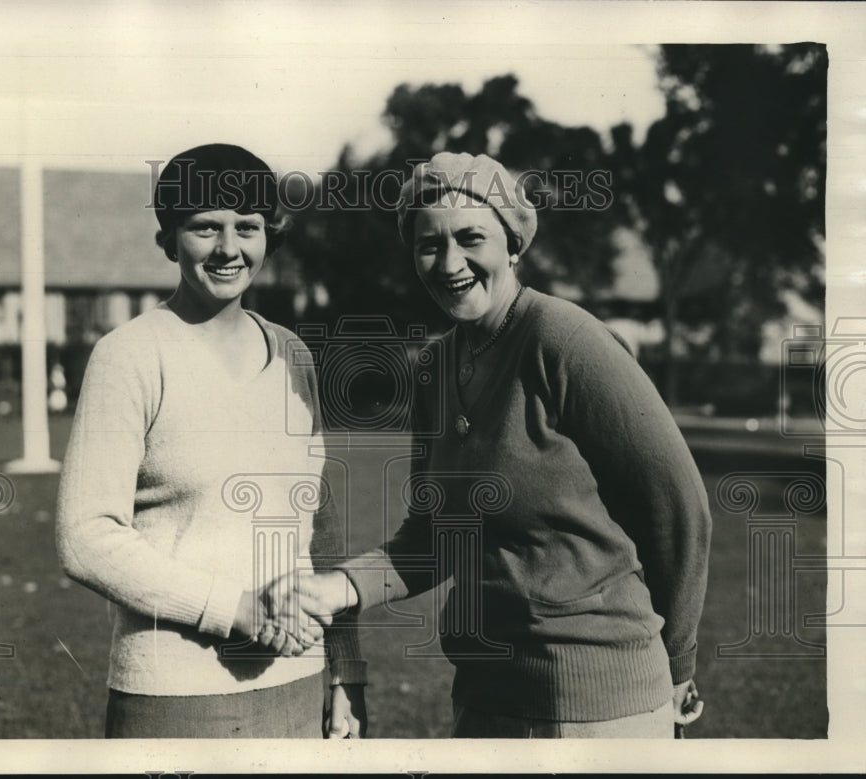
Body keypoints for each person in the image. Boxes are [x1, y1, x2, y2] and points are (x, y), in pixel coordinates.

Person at [297, 151, 711, 738]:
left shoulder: (565, 340)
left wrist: (678, 664)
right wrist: (338, 587)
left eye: (471, 239)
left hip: (598, 704)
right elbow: (436, 536)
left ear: (513, 243)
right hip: (485, 698)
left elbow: (679, 508)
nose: (449, 263)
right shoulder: (435, 365)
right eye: (428, 245)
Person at [56, 143, 366, 739]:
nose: (229, 249)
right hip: (178, 693)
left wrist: (345, 674)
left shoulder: (293, 354)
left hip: (300, 684)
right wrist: (236, 609)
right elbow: (85, 537)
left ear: (268, 237)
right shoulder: (129, 355)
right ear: (169, 239)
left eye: (247, 227)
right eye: (205, 227)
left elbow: (318, 528)